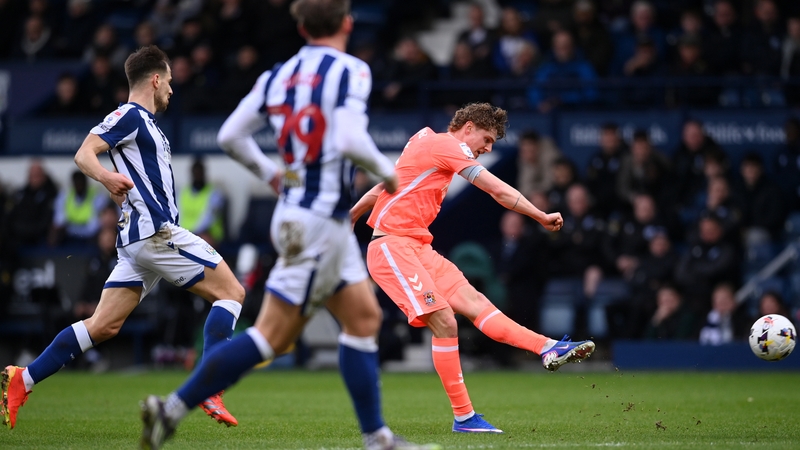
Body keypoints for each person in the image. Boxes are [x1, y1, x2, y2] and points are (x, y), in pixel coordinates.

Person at [139, 2, 438, 449]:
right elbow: (350, 140)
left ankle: (377, 437)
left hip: (309, 216)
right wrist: (388, 171)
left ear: (300, 26)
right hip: (318, 222)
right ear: (347, 23)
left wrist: (271, 174)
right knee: (271, 337)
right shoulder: (351, 70)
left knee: (363, 317)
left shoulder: (278, 75)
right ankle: (172, 407)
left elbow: (229, 136)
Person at [1, 45, 245, 431]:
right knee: (232, 293)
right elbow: (84, 154)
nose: (172, 90)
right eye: (169, 82)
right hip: (153, 234)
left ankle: (23, 380)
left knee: (102, 326)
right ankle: (209, 387)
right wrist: (107, 177)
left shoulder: (148, 126)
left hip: (137, 245)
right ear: (155, 78)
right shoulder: (129, 116)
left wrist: (114, 179)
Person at [351, 102, 595, 433]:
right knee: (445, 321)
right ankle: (464, 417)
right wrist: (540, 215)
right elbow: (495, 188)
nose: (488, 148)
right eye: (488, 138)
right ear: (468, 127)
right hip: (393, 247)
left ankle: (547, 348)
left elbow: (385, 185)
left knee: (476, 304)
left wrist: (352, 215)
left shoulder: (424, 140)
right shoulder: (447, 146)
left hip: (419, 247)